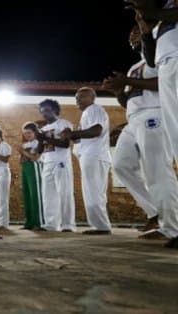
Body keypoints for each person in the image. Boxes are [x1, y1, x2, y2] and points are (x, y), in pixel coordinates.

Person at [103, 23, 178, 245]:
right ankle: (155, 213)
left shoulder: (159, 60)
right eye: (130, 34)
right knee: (120, 165)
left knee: (157, 170)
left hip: (155, 115)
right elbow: (129, 101)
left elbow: (162, 83)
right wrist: (119, 91)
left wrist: (126, 82)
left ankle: (172, 227)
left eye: (138, 31)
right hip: (133, 119)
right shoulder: (134, 67)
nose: (133, 35)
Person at [128, 0, 178, 248]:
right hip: (168, 65)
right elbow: (150, 58)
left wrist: (150, 11)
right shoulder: (160, 23)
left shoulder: (168, 11)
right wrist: (145, 26)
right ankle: (171, 225)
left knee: (160, 165)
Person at [61, 87, 113, 235]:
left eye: (82, 97)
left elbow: (97, 131)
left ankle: (100, 226)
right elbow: (86, 134)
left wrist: (73, 133)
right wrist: (73, 136)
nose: (78, 100)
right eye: (77, 98)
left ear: (92, 98)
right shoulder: (88, 113)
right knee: (95, 191)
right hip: (93, 156)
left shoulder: (94, 109)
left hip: (94, 156)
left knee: (93, 191)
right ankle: (101, 224)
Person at [37, 99, 76, 232]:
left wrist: (45, 139)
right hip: (47, 162)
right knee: (48, 194)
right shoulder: (43, 129)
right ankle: (51, 224)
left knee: (65, 193)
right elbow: (39, 150)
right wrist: (39, 139)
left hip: (61, 162)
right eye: (42, 112)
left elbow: (65, 144)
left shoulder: (64, 124)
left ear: (55, 110)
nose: (45, 114)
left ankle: (67, 225)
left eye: (47, 110)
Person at [16, 122, 43, 230]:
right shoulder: (25, 144)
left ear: (35, 132)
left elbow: (34, 158)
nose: (27, 135)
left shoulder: (38, 143)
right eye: (25, 133)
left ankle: (37, 222)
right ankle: (29, 222)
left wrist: (23, 152)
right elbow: (22, 160)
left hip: (34, 168)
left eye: (29, 133)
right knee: (26, 195)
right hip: (25, 168)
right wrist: (24, 154)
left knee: (35, 194)